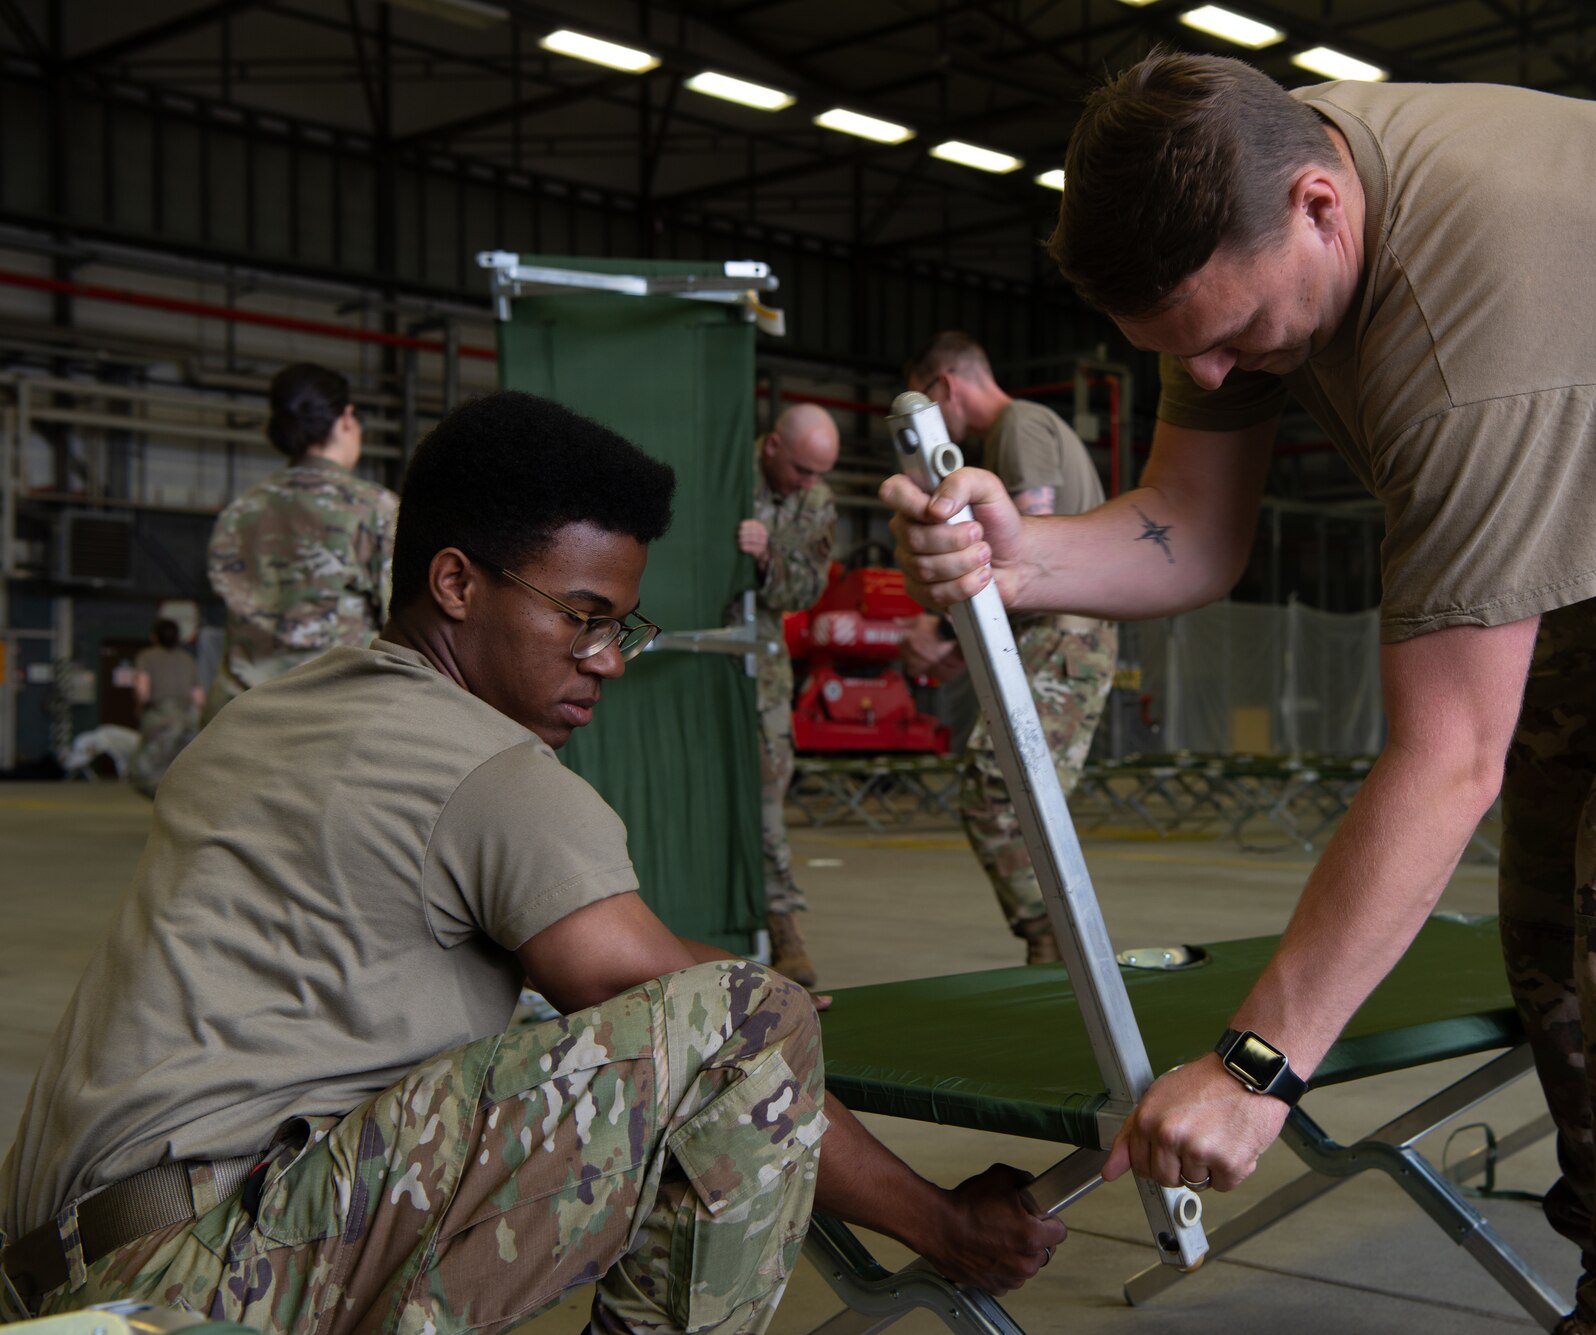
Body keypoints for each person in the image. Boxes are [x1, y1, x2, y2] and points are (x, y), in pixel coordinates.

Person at [884, 52, 1596, 1335]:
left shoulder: (1477, 327)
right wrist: (1026, 562)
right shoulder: (1230, 234)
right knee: (1550, 919)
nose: (1221, 376)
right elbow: (1188, 524)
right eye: (1189, 355)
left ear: (1319, 206)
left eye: (1234, 338)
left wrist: (1253, 1067)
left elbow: (1449, 758)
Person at [1, 392, 1063, 1334]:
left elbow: (600, 971)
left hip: (54, 1265)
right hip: (192, 1284)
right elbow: (697, 1013)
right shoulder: (495, 775)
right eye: (582, 618)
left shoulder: (266, 713)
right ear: (456, 583)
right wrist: (941, 1223)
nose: (605, 660)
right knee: (748, 1024)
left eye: (620, 626)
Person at [900, 333, 1115, 965]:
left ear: (943, 387)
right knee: (1018, 798)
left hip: (1066, 633)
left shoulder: (1018, 426)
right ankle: (1055, 946)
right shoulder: (1017, 431)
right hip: (1056, 636)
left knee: (999, 792)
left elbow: (1019, 554)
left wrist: (938, 630)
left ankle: (1057, 944)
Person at [203, 362, 397, 726]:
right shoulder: (375, 509)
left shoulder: (241, 510)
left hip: (240, 714)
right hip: (333, 715)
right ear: (346, 419)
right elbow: (402, 622)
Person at [732, 403, 840, 987]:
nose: (811, 484)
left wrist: (769, 552)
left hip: (761, 664)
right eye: (802, 470)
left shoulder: (816, 503)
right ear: (771, 445)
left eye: (820, 472)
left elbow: (804, 589)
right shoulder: (724, 473)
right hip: (691, 655)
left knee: (769, 797)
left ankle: (782, 926)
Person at [127, 617, 202, 799]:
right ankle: (180, 802)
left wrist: (139, 707)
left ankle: (163, 801)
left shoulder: (147, 656)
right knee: (182, 767)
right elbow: (199, 696)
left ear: (154, 637)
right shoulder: (187, 659)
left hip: (162, 715)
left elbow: (143, 688)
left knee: (142, 771)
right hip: (189, 717)